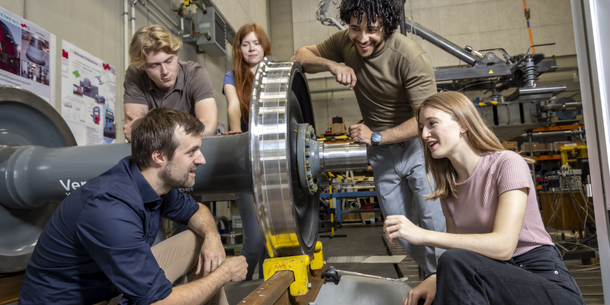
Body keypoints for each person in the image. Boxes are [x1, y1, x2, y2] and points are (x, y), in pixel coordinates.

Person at [19, 108, 248, 305]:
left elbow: (198, 210)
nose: (201, 160)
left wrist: (212, 237)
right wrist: (225, 273)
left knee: (198, 240)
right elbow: (158, 302)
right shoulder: (109, 208)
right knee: (201, 279)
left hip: (110, 287)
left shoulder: (155, 183)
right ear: (158, 157)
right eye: (191, 152)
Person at [384, 92, 585, 305]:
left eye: (432, 123)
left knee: (454, 262)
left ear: (462, 124)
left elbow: (503, 246)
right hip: (491, 277)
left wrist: (422, 235)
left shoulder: (507, 164)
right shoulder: (450, 187)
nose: (424, 134)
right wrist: (435, 277)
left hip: (543, 280)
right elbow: (458, 250)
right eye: (422, 127)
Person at [291, 0, 445, 274]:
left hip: (417, 151)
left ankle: (446, 284)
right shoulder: (345, 42)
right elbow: (299, 56)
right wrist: (331, 64)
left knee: (435, 227)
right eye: (355, 28)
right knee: (400, 232)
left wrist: (376, 136)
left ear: (386, 25)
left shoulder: (409, 56)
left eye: (372, 29)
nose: (362, 38)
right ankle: (437, 275)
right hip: (383, 157)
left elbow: (426, 120)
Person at [222, 23, 271, 280]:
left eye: (256, 43)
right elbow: (232, 106)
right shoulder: (232, 77)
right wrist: (235, 133)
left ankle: (263, 291)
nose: (252, 49)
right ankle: (236, 288)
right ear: (239, 49)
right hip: (244, 162)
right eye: (245, 44)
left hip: (272, 163)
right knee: (254, 241)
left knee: (272, 244)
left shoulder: (275, 73)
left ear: (264, 46)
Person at [123, 24, 217, 142]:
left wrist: (150, 132)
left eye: (168, 61)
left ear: (176, 54)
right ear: (142, 66)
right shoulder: (135, 76)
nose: (165, 72)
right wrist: (187, 131)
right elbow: (134, 131)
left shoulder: (196, 74)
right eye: (154, 65)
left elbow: (208, 129)